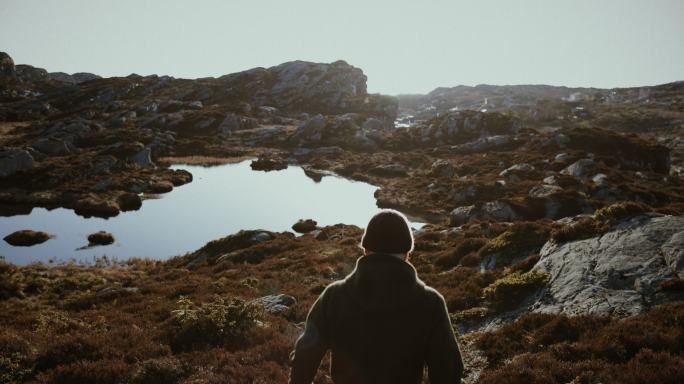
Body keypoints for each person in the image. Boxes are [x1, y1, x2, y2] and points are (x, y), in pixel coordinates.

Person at [289, 209, 464, 384]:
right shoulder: (431, 303)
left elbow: (306, 353)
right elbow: (448, 369)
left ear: (365, 250)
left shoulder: (334, 296)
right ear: (406, 254)